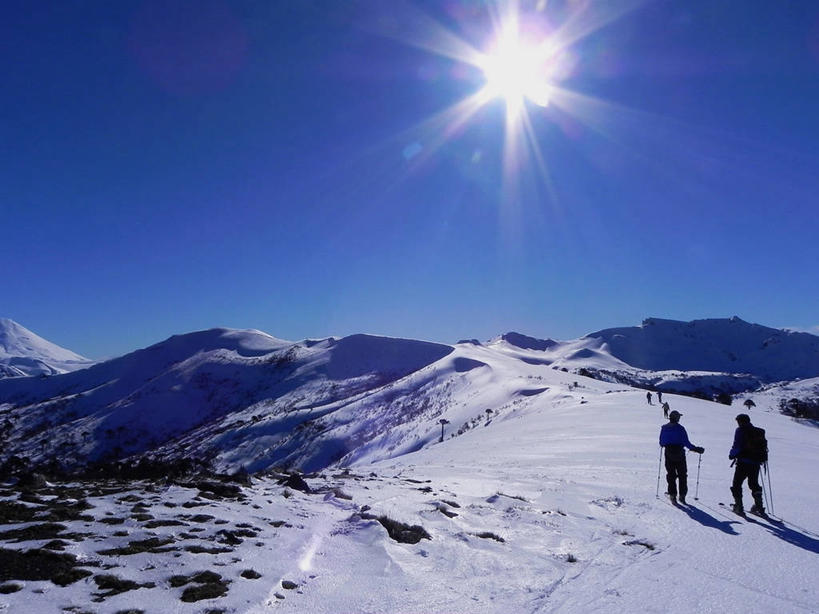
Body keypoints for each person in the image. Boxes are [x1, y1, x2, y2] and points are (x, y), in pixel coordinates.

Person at [659, 410, 704, 504]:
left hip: (668, 453)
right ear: (676, 418)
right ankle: (682, 496)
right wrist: (695, 449)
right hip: (680, 453)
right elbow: (686, 443)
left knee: (671, 474)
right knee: (682, 474)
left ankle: (672, 495)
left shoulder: (664, 428)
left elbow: (662, 442)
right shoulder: (680, 428)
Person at [729, 413, 768, 515]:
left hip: (743, 462)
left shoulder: (740, 430)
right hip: (755, 463)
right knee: (754, 484)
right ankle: (759, 508)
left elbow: (736, 445)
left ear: (740, 421)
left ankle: (739, 507)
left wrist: (731, 455)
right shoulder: (758, 431)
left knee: (737, 484)